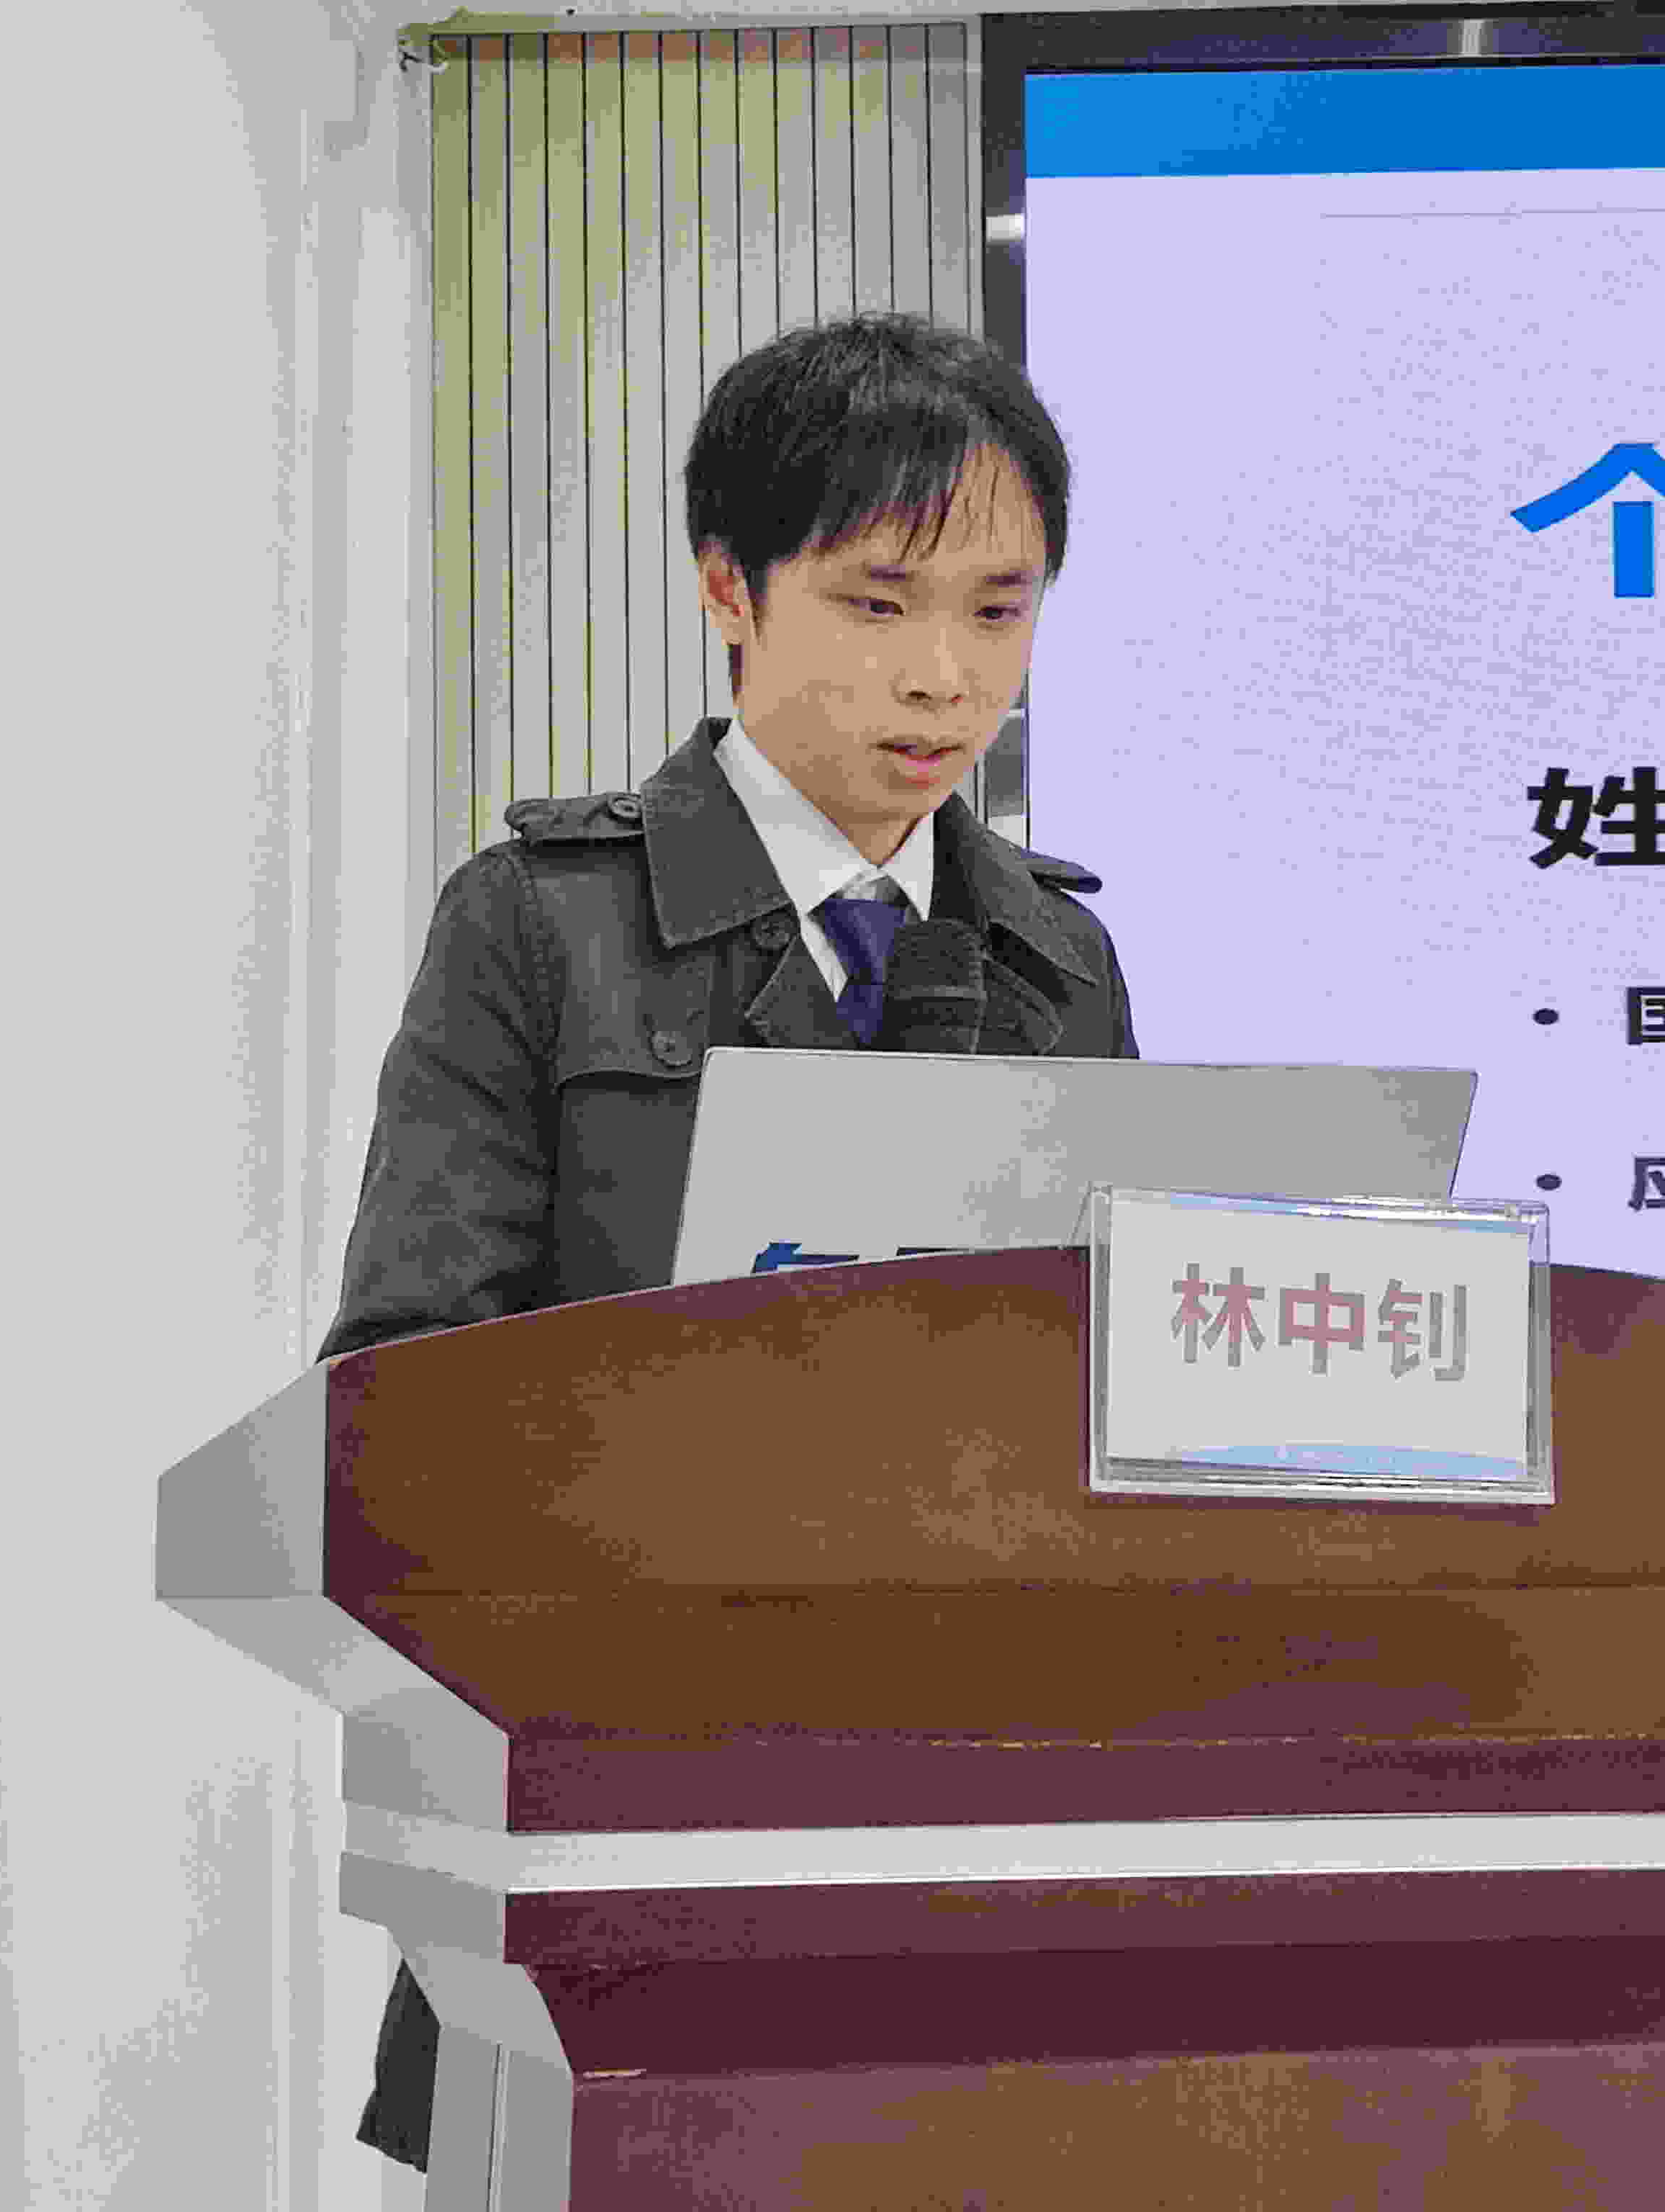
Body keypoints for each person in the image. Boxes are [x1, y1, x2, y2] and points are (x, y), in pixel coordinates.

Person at [320, 310, 1141, 2173]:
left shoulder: (1061, 963)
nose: (943, 676)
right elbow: (398, 1389)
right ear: (728, 589)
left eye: (999, 611)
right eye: (877, 604)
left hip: (973, 1840)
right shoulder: (541, 926)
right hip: (611, 1832)